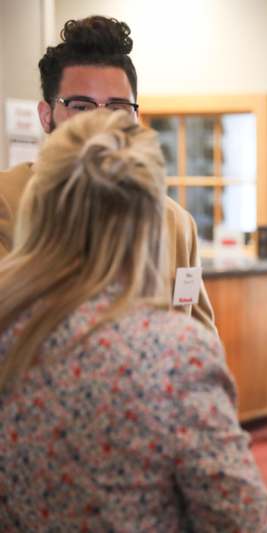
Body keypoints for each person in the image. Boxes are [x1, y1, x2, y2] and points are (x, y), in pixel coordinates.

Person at [0, 109, 267, 531]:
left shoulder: (11, 327)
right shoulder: (173, 353)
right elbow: (245, 521)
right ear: (150, 219)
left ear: (39, 208)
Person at [0, 15, 215, 331]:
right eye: (81, 106)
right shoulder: (7, 203)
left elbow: (200, 338)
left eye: (117, 108)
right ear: (46, 116)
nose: (102, 123)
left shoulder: (176, 223)